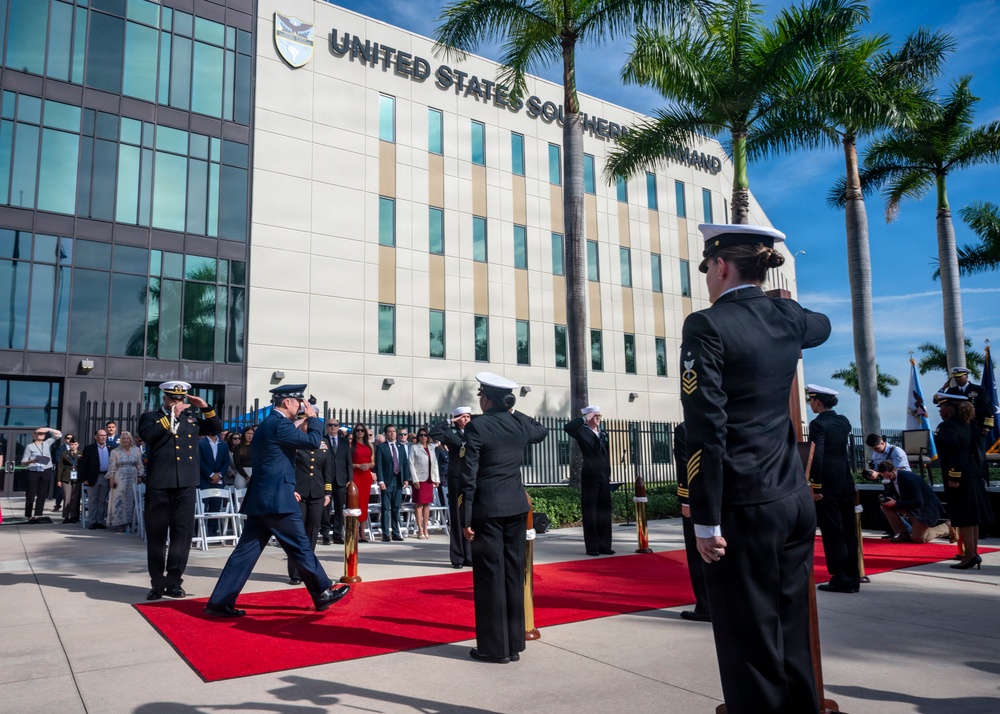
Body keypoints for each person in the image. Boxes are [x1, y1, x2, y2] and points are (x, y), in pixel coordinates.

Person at [680, 223, 831, 714]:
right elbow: (822, 325)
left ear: (722, 266)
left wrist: (706, 519)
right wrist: (783, 307)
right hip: (792, 497)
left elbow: (707, 428)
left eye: (707, 268)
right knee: (791, 633)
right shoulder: (788, 316)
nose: (707, 278)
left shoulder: (706, 325)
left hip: (743, 504)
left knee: (750, 644)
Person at [204, 385, 350, 617]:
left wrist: (302, 419)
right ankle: (322, 591)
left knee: (245, 553)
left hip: (265, 496)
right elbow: (313, 441)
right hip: (276, 498)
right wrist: (314, 418)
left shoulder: (270, 423)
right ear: (287, 402)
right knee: (300, 545)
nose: (301, 406)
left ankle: (219, 602)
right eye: (298, 401)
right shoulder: (279, 424)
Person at [461, 372, 549, 664]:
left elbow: (468, 475)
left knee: (490, 577)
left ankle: (493, 648)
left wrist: (465, 517)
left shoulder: (477, 426)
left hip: (488, 509)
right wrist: (513, 409)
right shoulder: (519, 424)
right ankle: (513, 645)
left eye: (482, 396)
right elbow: (541, 431)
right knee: (513, 574)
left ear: (486, 399)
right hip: (516, 507)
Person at [137, 381, 221, 600]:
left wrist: (205, 407)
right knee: (157, 535)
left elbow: (215, 428)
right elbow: (148, 434)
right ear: (164, 398)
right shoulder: (151, 418)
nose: (178, 402)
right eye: (173, 398)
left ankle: (174, 581)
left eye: (181, 399)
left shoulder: (190, 419)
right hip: (159, 484)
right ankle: (157, 582)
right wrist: (171, 416)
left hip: (185, 484)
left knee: (181, 535)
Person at [806, 384, 860, 594]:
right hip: (845, 480)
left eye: (811, 400)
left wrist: (816, 485)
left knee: (833, 532)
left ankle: (841, 578)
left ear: (818, 401)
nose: (810, 404)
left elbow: (817, 455)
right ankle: (853, 576)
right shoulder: (843, 421)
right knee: (848, 531)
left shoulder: (818, 424)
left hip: (828, 483)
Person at [933, 392, 994, 570]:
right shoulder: (968, 425)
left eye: (942, 407)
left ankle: (969, 556)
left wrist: (954, 477)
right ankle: (973, 553)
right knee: (972, 518)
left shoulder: (947, 426)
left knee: (965, 518)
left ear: (950, 408)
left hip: (959, 478)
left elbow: (954, 451)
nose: (940, 411)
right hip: (972, 474)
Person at [672, 422, 711, 622]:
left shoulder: (685, 428)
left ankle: (706, 606)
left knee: (698, 554)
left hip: (698, 500)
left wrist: (686, 500)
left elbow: (685, 464)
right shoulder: (725, 421)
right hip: (725, 499)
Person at [563, 406, 614, 556]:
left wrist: (608, 473)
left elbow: (606, 455)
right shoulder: (582, 431)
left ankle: (605, 545)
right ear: (588, 416)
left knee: (604, 512)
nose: (598, 418)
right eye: (595, 415)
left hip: (603, 475)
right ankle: (593, 547)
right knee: (591, 512)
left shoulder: (603, 433)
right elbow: (568, 427)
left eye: (599, 415)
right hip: (590, 476)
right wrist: (585, 419)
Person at [288, 420, 333, 584]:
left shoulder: (323, 443)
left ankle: (308, 570)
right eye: (307, 423)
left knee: (312, 531)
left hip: (317, 492)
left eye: (312, 423)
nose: (310, 426)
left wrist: (328, 492)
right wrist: (290, 488)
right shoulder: (295, 440)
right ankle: (295, 573)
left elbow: (327, 469)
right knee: (298, 532)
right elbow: (288, 466)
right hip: (299, 492)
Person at [430, 406, 475, 569]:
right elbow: (434, 433)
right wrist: (449, 421)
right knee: (456, 517)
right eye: (462, 417)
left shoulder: (474, 432)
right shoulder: (450, 433)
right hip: (456, 477)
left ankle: (470, 555)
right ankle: (458, 557)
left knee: (470, 517)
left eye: (468, 416)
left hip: (471, 477)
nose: (466, 419)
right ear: (456, 418)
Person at [938, 367, 995, 480]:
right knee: (963, 455)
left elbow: (988, 408)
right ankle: (966, 478)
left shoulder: (978, 390)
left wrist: (987, 426)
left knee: (979, 456)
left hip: (976, 427)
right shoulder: (951, 391)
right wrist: (943, 388)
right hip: (960, 429)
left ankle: (981, 480)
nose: (958, 379)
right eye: (956, 378)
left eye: (960, 377)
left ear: (966, 376)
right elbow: (937, 400)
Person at [876, 461, 951, 543]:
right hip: (912, 507)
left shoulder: (909, 479)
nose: (887, 478)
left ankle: (948, 526)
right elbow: (890, 491)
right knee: (885, 506)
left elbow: (918, 502)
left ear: (894, 470)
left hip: (925, 510)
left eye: (888, 476)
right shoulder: (894, 478)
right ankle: (902, 533)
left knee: (918, 539)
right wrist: (882, 496)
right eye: (884, 477)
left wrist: (897, 503)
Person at [375, 424, 410, 542]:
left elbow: (405, 463)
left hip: (398, 480)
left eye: (394, 431)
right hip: (387, 481)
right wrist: (380, 481)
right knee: (385, 508)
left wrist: (406, 479)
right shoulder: (381, 447)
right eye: (390, 432)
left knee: (396, 507)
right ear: (386, 434)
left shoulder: (400, 446)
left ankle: (396, 532)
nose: (392, 433)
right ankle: (385, 533)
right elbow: (379, 465)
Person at [21, 425, 63, 523]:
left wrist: (48, 429)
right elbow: (23, 462)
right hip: (33, 470)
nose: (41, 435)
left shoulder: (47, 443)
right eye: (39, 433)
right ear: (34, 435)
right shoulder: (30, 446)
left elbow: (59, 434)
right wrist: (32, 461)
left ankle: (37, 514)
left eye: (43, 434)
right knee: (31, 493)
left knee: (42, 493)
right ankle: (28, 515)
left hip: (45, 470)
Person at [321, 420, 353, 545]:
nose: (333, 427)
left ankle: (338, 535)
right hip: (326, 478)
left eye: (335, 425)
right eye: (330, 425)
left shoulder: (344, 441)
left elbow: (348, 461)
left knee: (339, 509)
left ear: (338, 427)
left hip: (341, 479)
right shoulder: (322, 440)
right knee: (326, 508)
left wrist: (350, 479)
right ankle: (325, 534)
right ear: (326, 427)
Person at [106, 431, 144, 532]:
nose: (125, 440)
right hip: (120, 479)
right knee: (119, 499)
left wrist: (140, 476)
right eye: (123, 438)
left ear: (130, 439)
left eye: (127, 438)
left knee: (132, 500)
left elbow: (140, 464)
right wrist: (111, 479)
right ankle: (120, 523)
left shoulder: (136, 450)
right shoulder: (115, 451)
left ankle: (131, 523)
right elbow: (112, 467)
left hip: (133, 478)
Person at [79, 428, 114, 529]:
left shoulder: (111, 448)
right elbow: (82, 465)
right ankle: (92, 521)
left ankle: (100, 521)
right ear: (96, 437)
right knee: (92, 500)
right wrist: (84, 479)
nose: (103, 437)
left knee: (102, 501)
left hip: (106, 477)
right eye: (101, 435)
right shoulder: (89, 448)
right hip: (93, 477)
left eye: (105, 435)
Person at [409, 428, 441, 539]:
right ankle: (420, 529)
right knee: (419, 504)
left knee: (427, 504)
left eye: (425, 435)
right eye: (421, 435)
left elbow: (435, 464)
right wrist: (415, 479)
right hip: (419, 479)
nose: (423, 437)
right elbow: (411, 464)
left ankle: (426, 528)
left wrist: (437, 479)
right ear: (418, 437)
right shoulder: (414, 448)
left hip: (429, 479)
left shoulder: (432, 448)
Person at [351, 424, 376, 542]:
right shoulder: (351, 445)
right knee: (355, 503)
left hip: (366, 476)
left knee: (364, 503)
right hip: (355, 475)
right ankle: (355, 531)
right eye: (357, 430)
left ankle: (363, 531)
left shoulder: (369, 445)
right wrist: (358, 465)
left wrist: (369, 465)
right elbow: (347, 463)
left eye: (362, 430)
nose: (360, 432)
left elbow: (373, 462)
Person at [57, 437, 81, 523]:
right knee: (67, 497)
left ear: (78, 445)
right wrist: (58, 480)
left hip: (77, 477)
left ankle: (74, 516)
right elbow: (60, 467)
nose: (73, 446)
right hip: (66, 477)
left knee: (75, 497)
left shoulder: (81, 454)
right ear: (69, 445)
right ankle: (66, 516)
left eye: (75, 444)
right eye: (71, 444)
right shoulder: (65, 454)